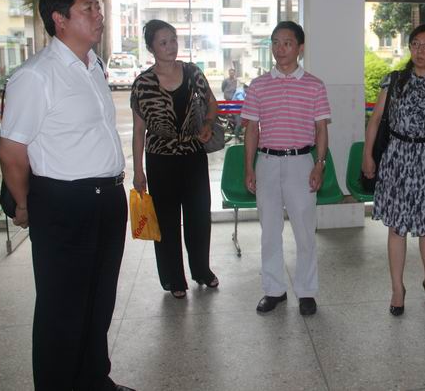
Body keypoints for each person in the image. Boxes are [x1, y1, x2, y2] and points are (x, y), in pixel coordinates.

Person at [0, 0, 134, 391]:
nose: (99, 14)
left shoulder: (94, 67)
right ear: (59, 19)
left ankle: (94, 379)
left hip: (107, 199)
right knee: (62, 310)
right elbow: (11, 151)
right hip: (64, 204)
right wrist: (24, 204)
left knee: (98, 301)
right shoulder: (36, 76)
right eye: (88, 7)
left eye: (98, 6)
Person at [362, 23, 425, 316]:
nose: (420, 50)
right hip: (397, 159)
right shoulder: (394, 81)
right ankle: (397, 289)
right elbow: (375, 120)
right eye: (415, 43)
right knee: (397, 227)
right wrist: (367, 156)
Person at [241, 21, 331, 316]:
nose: (280, 49)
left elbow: (321, 129)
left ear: (300, 48)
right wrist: (249, 167)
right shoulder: (258, 85)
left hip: (301, 163)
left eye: (287, 43)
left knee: (304, 232)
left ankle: (306, 292)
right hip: (266, 163)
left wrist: (319, 165)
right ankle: (274, 290)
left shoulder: (315, 85)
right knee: (269, 231)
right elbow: (251, 130)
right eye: (275, 42)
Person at [130, 19, 219, 299]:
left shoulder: (193, 73)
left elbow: (212, 103)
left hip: (193, 156)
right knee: (166, 222)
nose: (171, 46)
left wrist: (207, 124)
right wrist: (138, 171)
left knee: (199, 217)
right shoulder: (143, 84)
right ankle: (174, 278)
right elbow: (138, 131)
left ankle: (201, 270)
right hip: (160, 160)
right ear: (151, 48)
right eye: (163, 42)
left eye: (173, 40)